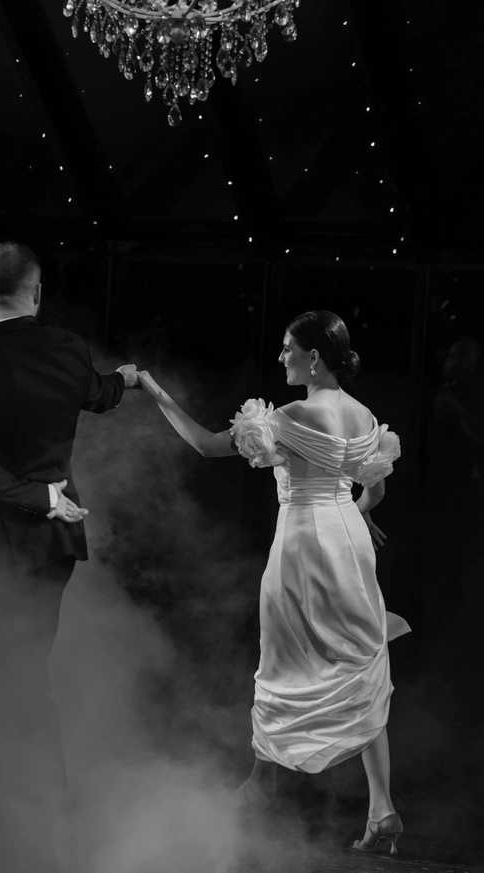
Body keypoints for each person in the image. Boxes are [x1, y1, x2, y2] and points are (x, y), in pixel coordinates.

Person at [136, 310, 410, 855]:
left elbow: (206, 445)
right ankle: (382, 808)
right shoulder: (363, 415)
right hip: (348, 541)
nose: (281, 357)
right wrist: (355, 514)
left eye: (288, 348)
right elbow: (375, 487)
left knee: (281, 660)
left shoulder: (290, 415)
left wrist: (153, 390)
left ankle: (263, 786)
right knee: (359, 659)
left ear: (314, 356)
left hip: (303, 543)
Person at [0, 241, 139, 873]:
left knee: (3, 683)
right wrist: (127, 380)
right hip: (53, 548)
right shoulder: (67, 348)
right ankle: (44, 817)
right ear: (38, 291)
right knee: (25, 676)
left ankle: (21, 822)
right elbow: (99, 395)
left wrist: (40, 498)